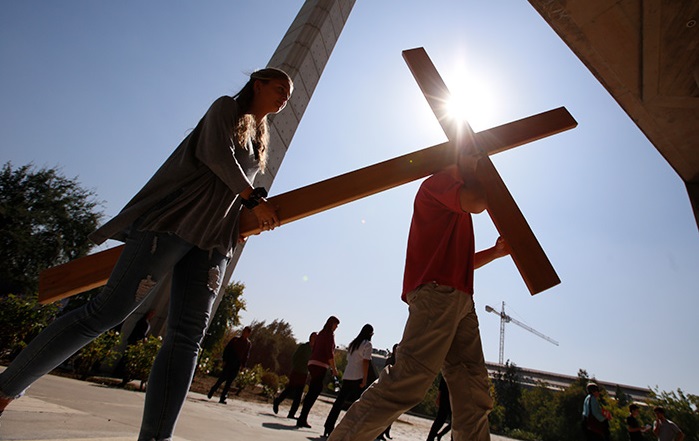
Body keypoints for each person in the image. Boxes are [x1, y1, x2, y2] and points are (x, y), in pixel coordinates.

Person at [0, 68, 293, 440]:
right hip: (173, 223)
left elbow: (233, 191)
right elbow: (216, 156)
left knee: (187, 337)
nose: (285, 95)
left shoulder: (261, 138)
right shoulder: (225, 110)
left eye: (289, 92)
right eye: (279, 87)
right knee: (106, 311)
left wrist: (248, 217)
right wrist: (250, 196)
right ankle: (6, 387)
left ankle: (156, 437)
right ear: (258, 83)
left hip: (213, 242)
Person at [326, 151, 511, 441]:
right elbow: (478, 201)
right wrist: (474, 170)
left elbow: (462, 259)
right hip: (438, 295)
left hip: (460, 299)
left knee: (472, 391)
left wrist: (496, 253)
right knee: (407, 381)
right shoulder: (437, 184)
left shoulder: (455, 202)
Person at [323, 324, 375, 437]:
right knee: (358, 406)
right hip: (358, 377)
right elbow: (365, 363)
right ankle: (352, 430)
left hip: (348, 375)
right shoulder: (367, 345)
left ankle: (328, 426)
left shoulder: (353, 344)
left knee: (338, 403)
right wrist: (364, 379)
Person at [296, 315, 340, 429]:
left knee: (313, 390)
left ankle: (302, 416)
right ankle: (302, 417)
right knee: (315, 391)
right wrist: (334, 369)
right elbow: (329, 353)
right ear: (332, 324)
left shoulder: (321, 333)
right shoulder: (329, 335)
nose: (336, 327)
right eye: (336, 325)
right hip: (320, 364)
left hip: (312, 363)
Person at [273, 332, 317, 419]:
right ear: (311, 337)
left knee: (299, 394)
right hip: (297, 371)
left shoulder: (314, 350)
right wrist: (297, 366)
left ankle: (291, 413)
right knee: (290, 389)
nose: (315, 339)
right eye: (314, 337)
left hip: (304, 373)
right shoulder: (304, 347)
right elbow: (295, 357)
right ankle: (277, 401)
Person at [207, 326, 252, 404]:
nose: (244, 333)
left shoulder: (248, 344)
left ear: (248, 334)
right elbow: (227, 349)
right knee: (222, 378)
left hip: (237, 364)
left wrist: (243, 365)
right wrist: (224, 360)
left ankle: (223, 397)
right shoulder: (235, 340)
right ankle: (213, 389)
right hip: (230, 361)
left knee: (229, 382)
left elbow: (246, 355)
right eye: (243, 331)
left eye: (246, 332)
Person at [377, 344, 399, 441]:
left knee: (391, 413)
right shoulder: (391, 361)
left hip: (395, 388)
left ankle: (386, 431)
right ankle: (381, 433)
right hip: (388, 388)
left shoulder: (399, 361)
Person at [426, 376, 452, 441]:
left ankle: (433, 437)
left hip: (448, 395)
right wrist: (439, 395)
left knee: (442, 419)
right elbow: (443, 380)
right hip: (447, 395)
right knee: (441, 419)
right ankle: (433, 437)